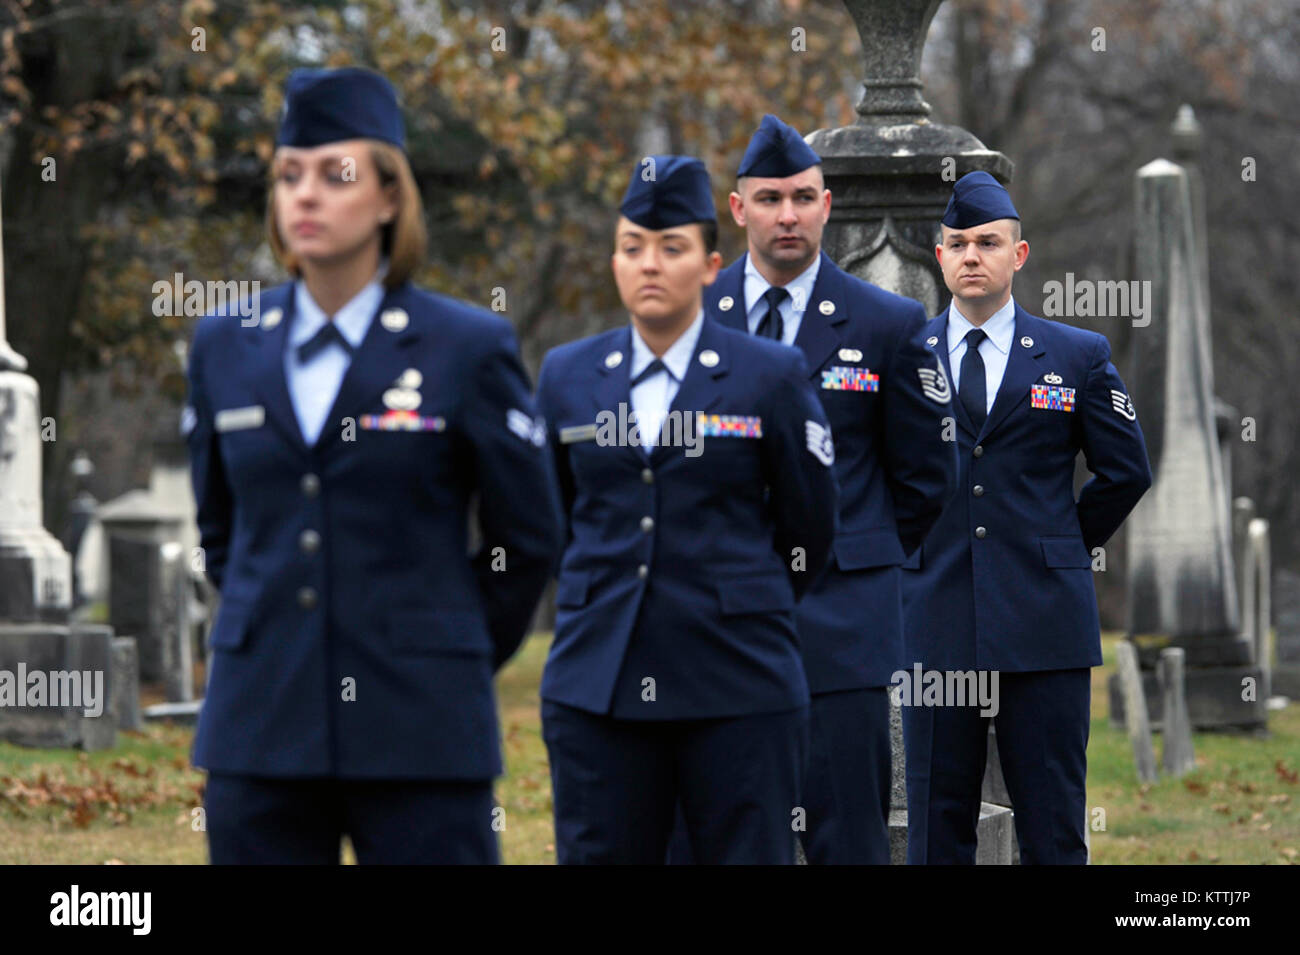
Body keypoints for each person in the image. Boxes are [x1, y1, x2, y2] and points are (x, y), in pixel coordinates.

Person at [184, 66, 560, 864]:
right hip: (262, 727)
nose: (306, 196)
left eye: (336, 174)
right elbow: (222, 531)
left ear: (390, 195)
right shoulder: (225, 344)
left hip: (422, 728)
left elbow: (527, 538)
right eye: (290, 176)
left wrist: (445, 645)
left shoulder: (465, 346)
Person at [535, 154, 838, 864]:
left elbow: (810, 524)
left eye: (671, 248)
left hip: (737, 680)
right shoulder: (567, 375)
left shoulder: (769, 375)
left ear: (708, 264)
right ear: (614, 261)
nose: (649, 265)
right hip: (598, 684)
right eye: (632, 247)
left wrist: (744, 599)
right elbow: (546, 519)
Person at [688, 115, 957, 864]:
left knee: (849, 836)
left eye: (804, 197)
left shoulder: (888, 322)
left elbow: (925, 477)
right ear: (738, 209)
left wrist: (861, 554)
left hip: (843, 628)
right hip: (712, 623)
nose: (788, 214)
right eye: (769, 197)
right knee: (722, 834)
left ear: (827, 206)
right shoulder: (694, 316)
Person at [900, 171, 1152, 864]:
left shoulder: (1076, 356)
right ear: (940, 254)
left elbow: (1127, 469)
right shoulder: (904, 359)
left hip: (1043, 623)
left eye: (988, 241)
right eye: (957, 243)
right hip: (935, 618)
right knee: (933, 827)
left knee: (1052, 824)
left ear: (1020, 254)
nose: (971, 254)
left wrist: (1065, 544)